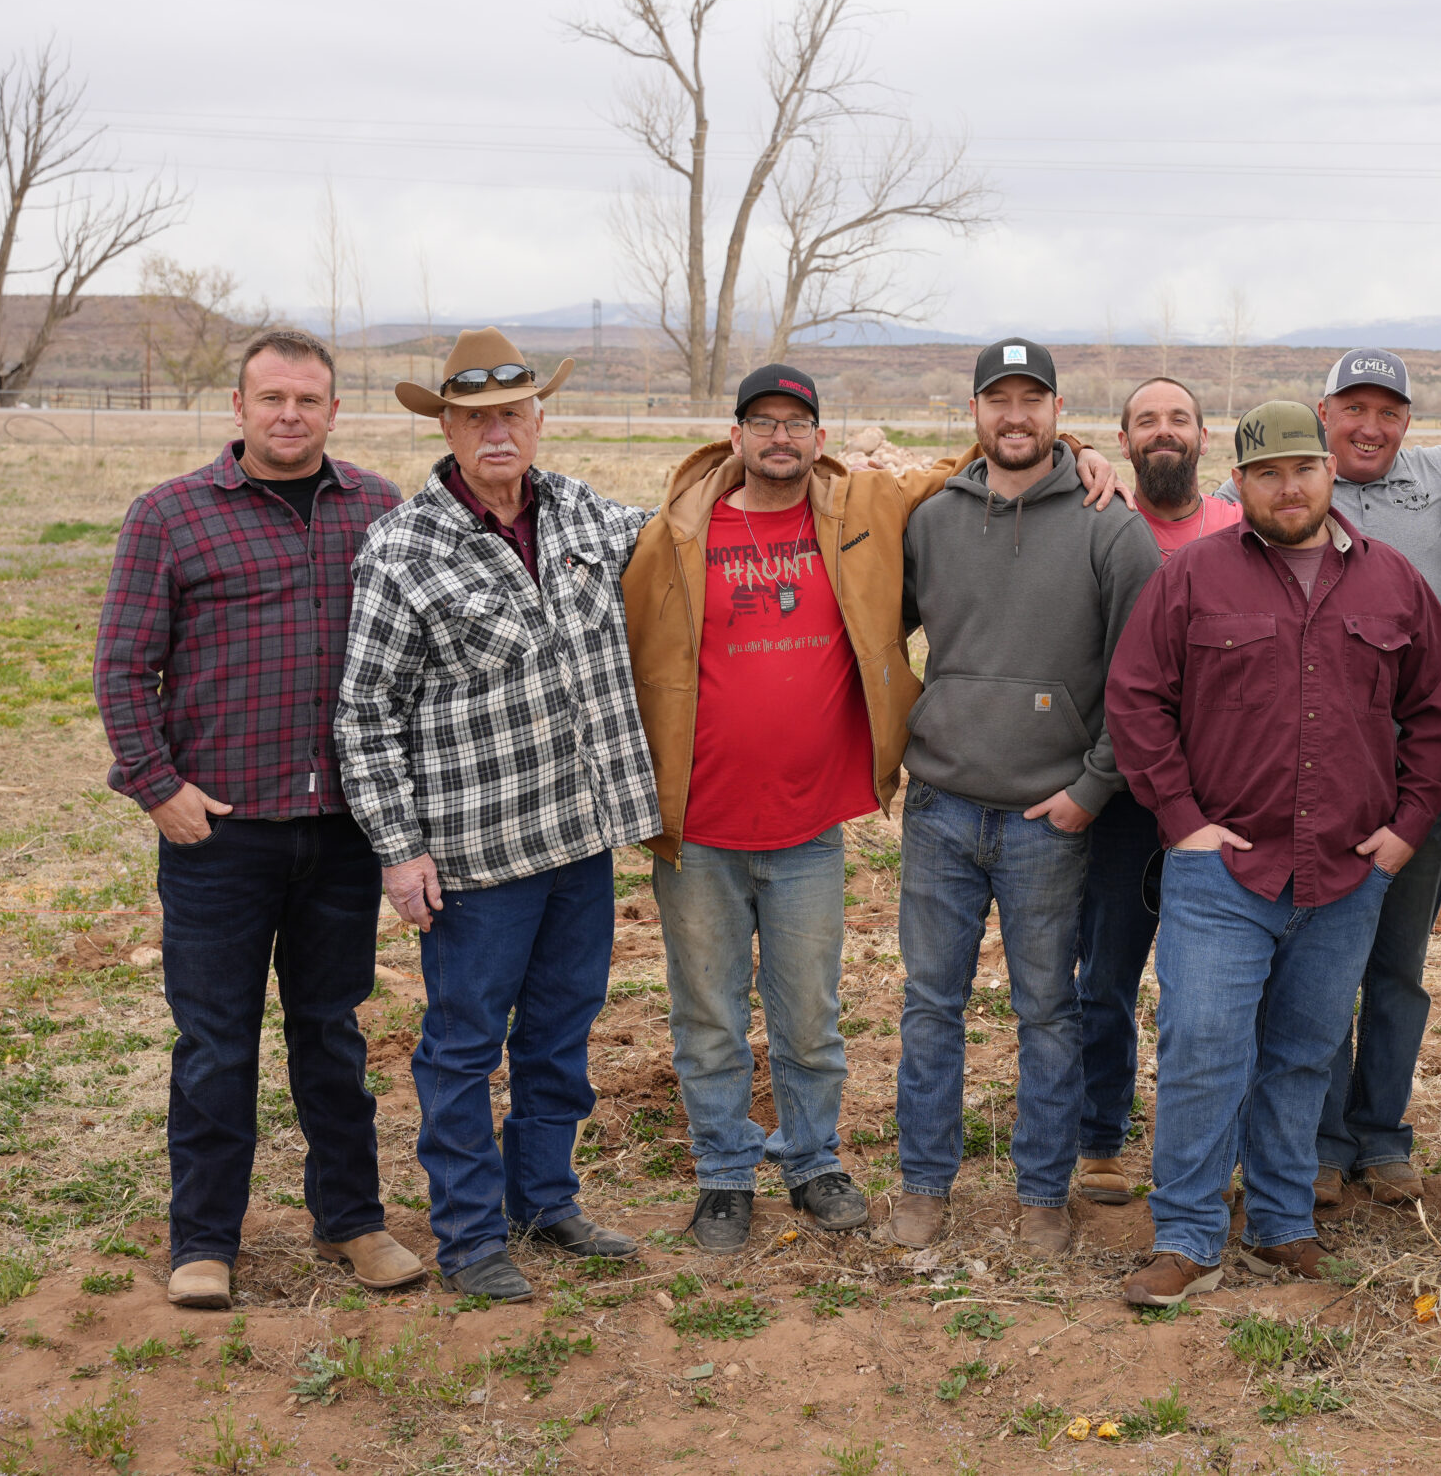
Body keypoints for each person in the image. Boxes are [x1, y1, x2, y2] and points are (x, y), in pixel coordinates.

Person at [623, 364, 1120, 1251]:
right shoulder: (673, 532)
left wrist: (1074, 450)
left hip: (810, 826)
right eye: (762, 422)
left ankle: (813, 1161)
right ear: (733, 437)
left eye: (798, 422)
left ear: (819, 436)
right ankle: (725, 1176)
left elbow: (991, 460)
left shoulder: (865, 509)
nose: (781, 437)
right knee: (706, 1018)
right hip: (697, 825)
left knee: (810, 1017)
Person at [95, 330, 419, 1312]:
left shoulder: (378, 510)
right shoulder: (172, 516)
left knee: (331, 1037)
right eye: (271, 397)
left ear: (333, 412)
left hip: (341, 835)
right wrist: (159, 787)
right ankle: (204, 1241)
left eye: (307, 399)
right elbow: (121, 668)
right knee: (217, 1044)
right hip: (220, 837)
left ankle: (352, 1222)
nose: (289, 414)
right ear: (237, 408)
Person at [1106, 402, 1441, 1305]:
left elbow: (1432, 716)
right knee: (1204, 1048)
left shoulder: (1395, 584)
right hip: (1224, 868)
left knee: (1303, 1051)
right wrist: (1181, 818)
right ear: (1242, 480)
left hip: (1344, 872)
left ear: (1330, 471)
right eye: (1266, 472)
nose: (1288, 486)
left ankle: (1278, 1223)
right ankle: (1186, 1235)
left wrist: (1407, 827)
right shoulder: (1190, 578)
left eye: (1302, 467)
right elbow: (1137, 699)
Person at [335, 329, 658, 1303]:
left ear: (538, 419)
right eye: (475, 418)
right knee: (464, 1046)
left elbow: (690, 531)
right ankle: (471, 1236)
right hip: (477, 855)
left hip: (580, 833)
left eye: (512, 413)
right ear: (448, 427)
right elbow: (364, 711)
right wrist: (399, 852)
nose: (497, 432)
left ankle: (543, 1198)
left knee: (561, 1031)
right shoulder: (403, 546)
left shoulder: (585, 516)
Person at [886, 340, 1162, 1254]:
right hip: (941, 810)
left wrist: (1093, 785)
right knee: (931, 1005)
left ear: (1057, 411)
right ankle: (924, 1184)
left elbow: (1145, 672)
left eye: (1031, 400)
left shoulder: (1107, 524)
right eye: (997, 399)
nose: (1015, 415)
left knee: (1049, 1009)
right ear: (974, 411)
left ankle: (1044, 1194)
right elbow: (874, 627)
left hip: (1052, 818)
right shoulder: (930, 519)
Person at [1243, 349, 1441, 1209]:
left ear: (1410, 424)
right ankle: (1317, 1141)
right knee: (1317, 971)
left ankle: (1382, 1135)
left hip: (1411, 772)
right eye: (1354, 409)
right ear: (1322, 414)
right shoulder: (1291, 492)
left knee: (1396, 968)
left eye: (1389, 411)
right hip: (1312, 777)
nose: (1370, 427)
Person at [1075, 376, 1242, 1204]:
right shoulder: (1095, 517)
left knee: (1213, 981)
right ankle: (1101, 1134)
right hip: (1121, 792)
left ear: (1206, 437)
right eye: (1147, 421)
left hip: (1221, 792)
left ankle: (1219, 1143)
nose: (1164, 431)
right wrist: (1075, 454)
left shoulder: (1242, 529)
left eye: (1180, 417)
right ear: (1124, 441)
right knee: (1105, 972)